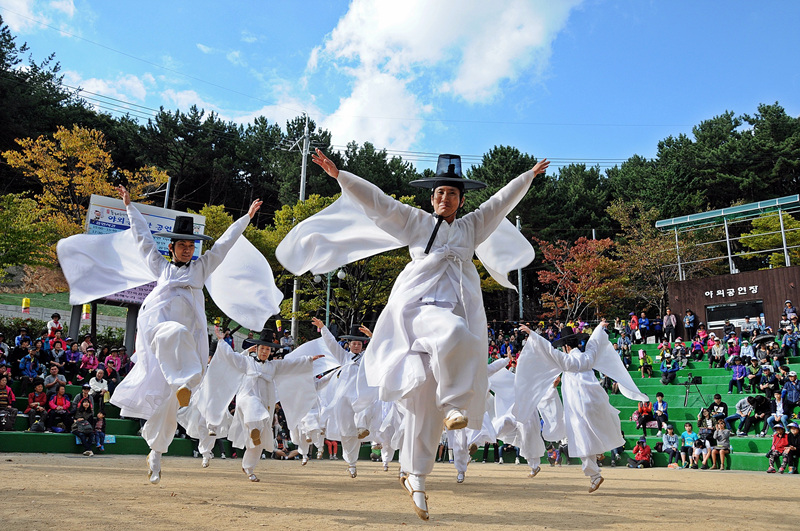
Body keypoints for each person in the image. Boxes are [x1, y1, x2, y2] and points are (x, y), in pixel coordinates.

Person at [279, 151, 549, 521]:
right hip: (418, 313)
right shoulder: (415, 222)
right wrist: (341, 175)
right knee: (455, 334)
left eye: (452, 194)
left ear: (461, 199)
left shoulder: (472, 226)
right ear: (431, 196)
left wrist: (527, 176)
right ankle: (455, 403)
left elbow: (499, 203)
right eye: (439, 193)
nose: (445, 199)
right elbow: (378, 203)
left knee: (425, 405)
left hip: (453, 313)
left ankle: (416, 478)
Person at [57, 184, 277, 485]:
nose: (187, 250)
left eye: (191, 246)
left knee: (169, 406)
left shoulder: (202, 268)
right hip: (159, 333)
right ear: (172, 247)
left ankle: (156, 455)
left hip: (190, 345)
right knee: (173, 331)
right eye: (182, 245)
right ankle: (179, 382)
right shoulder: (160, 267)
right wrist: (129, 207)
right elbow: (142, 238)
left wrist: (247, 218)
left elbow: (225, 244)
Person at [515, 322, 648, 493]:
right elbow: (594, 343)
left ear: (566, 346)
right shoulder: (587, 357)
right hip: (595, 400)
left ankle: (594, 474)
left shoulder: (567, 361)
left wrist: (532, 334)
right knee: (592, 430)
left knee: (580, 438)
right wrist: (600, 327)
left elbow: (548, 350)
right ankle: (598, 453)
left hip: (578, 406)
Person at [185, 326, 320, 483]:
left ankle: (248, 468)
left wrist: (309, 360)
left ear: (271, 351)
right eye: (262, 348)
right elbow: (230, 356)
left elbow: (290, 364)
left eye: (268, 349)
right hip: (246, 399)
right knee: (254, 408)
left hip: (264, 407)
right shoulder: (247, 362)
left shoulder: (273, 366)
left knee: (259, 442)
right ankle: (254, 429)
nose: (264, 351)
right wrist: (221, 340)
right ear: (256, 348)